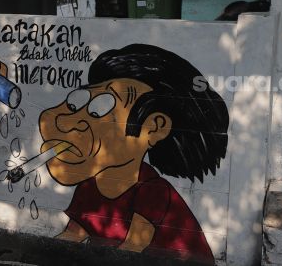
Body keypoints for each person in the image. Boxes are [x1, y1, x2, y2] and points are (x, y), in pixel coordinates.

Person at [38, 44, 229, 264]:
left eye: (101, 108)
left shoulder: (152, 191)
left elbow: (132, 248)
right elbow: (74, 234)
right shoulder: (90, 183)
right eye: (75, 103)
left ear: (155, 127)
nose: (67, 120)